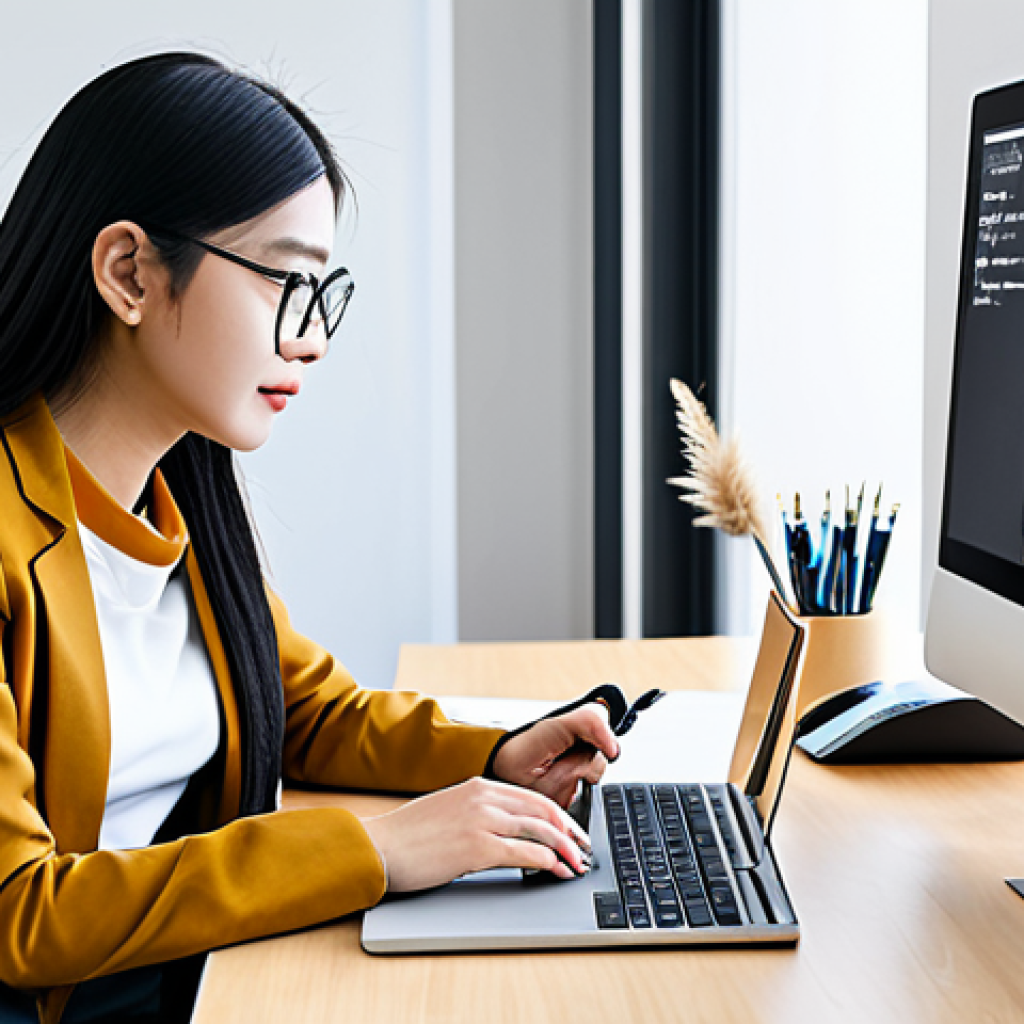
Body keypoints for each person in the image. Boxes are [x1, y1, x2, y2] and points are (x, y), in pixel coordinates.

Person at [0, 52, 618, 1024]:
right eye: (285, 282)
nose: (312, 341)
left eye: (322, 295)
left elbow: (302, 710)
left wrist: (495, 756)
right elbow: (17, 913)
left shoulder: (183, 495)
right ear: (129, 271)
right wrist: (375, 849)